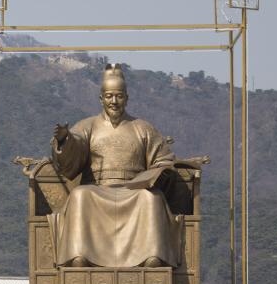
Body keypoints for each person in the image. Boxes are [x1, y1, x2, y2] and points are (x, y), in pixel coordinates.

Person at [48, 64, 183, 268]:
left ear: (127, 98)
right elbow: (73, 152)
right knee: (79, 195)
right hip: (97, 188)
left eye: (119, 96)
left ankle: (152, 257)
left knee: (151, 198)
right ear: (101, 99)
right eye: (109, 96)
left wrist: (161, 171)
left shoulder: (143, 128)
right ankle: (79, 256)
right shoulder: (87, 126)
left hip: (134, 189)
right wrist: (64, 141)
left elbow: (163, 159)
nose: (114, 101)